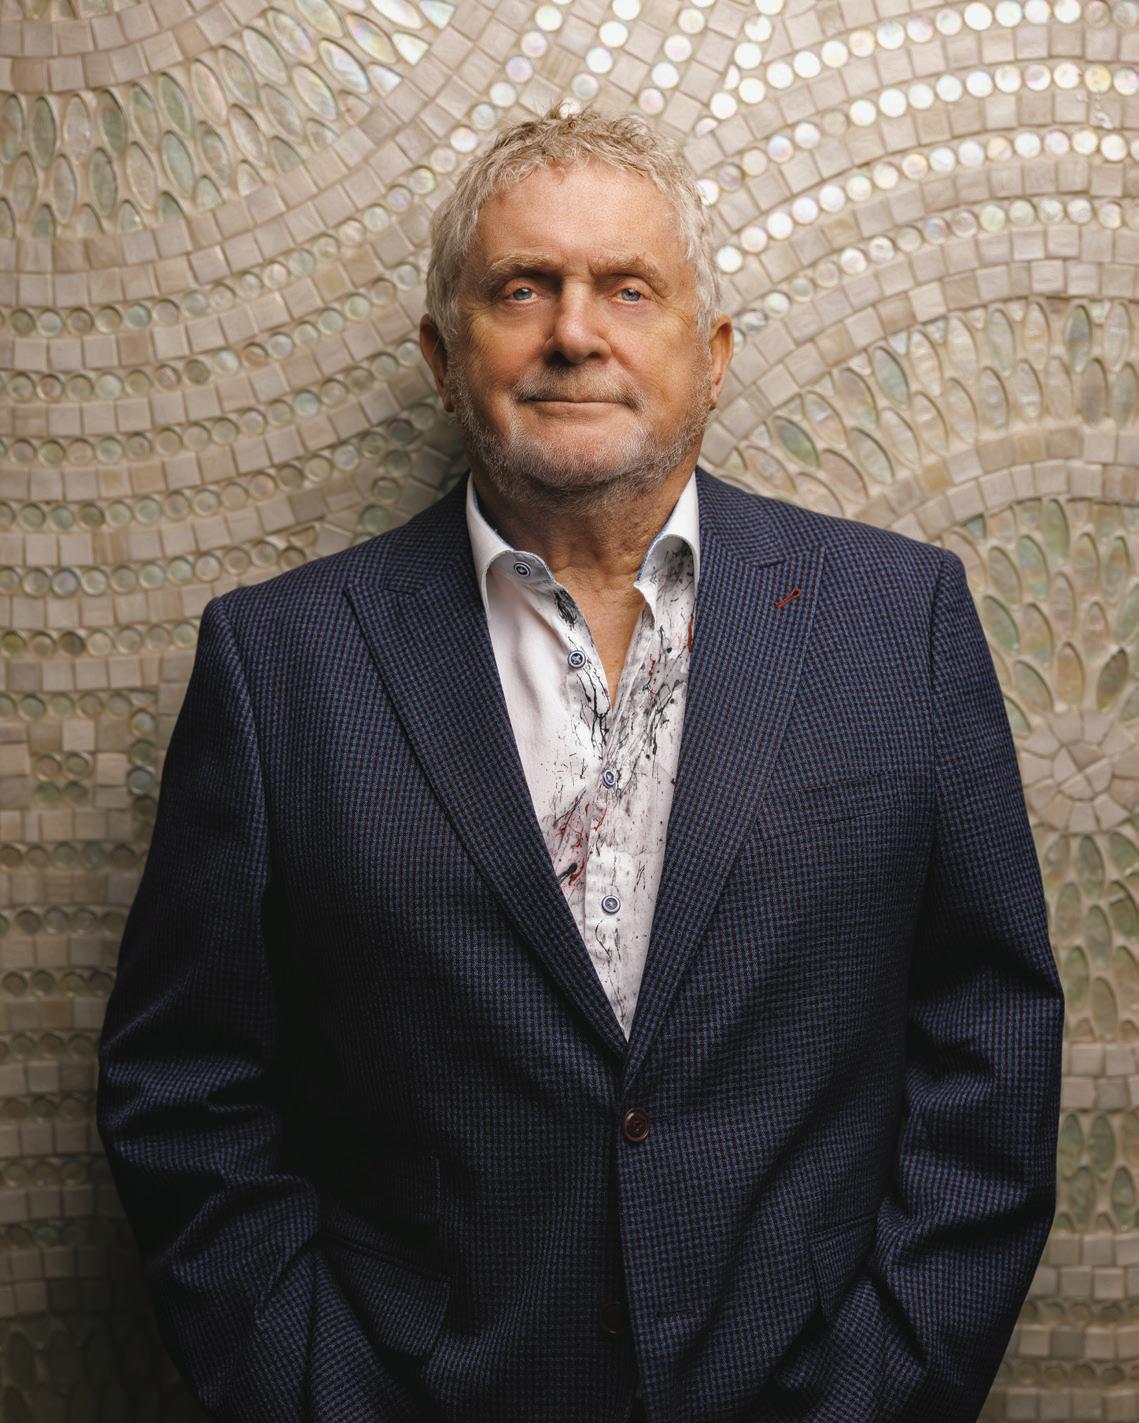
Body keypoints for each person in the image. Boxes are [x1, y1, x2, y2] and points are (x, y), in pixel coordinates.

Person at [95, 104, 1065, 1423]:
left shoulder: (902, 624)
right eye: (521, 288)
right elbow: (186, 1098)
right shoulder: (280, 666)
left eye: (628, 287)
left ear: (712, 355)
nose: (573, 331)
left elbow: (990, 1048)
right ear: (443, 357)